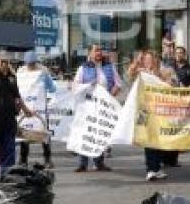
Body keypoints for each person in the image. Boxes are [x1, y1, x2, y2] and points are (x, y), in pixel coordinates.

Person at [73, 44, 121, 172]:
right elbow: (75, 86)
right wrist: (88, 85)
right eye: (96, 50)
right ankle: (83, 163)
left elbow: (118, 84)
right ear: (90, 53)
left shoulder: (109, 66)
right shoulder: (83, 68)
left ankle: (99, 162)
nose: (99, 53)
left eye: (100, 50)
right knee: (86, 133)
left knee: (99, 133)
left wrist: (110, 96)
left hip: (103, 106)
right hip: (88, 105)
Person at [128, 50, 171, 181]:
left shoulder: (160, 73)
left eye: (150, 59)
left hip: (158, 111)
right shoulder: (141, 72)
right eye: (146, 59)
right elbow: (129, 75)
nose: (148, 62)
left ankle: (157, 167)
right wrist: (136, 61)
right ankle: (150, 169)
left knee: (158, 139)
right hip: (144, 111)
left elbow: (169, 85)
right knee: (148, 139)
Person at [17, 51, 58, 169]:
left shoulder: (41, 72)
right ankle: (24, 159)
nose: (30, 65)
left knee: (41, 133)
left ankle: (46, 159)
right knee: (26, 132)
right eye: (29, 63)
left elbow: (52, 88)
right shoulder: (22, 72)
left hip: (38, 108)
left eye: (32, 63)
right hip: (27, 108)